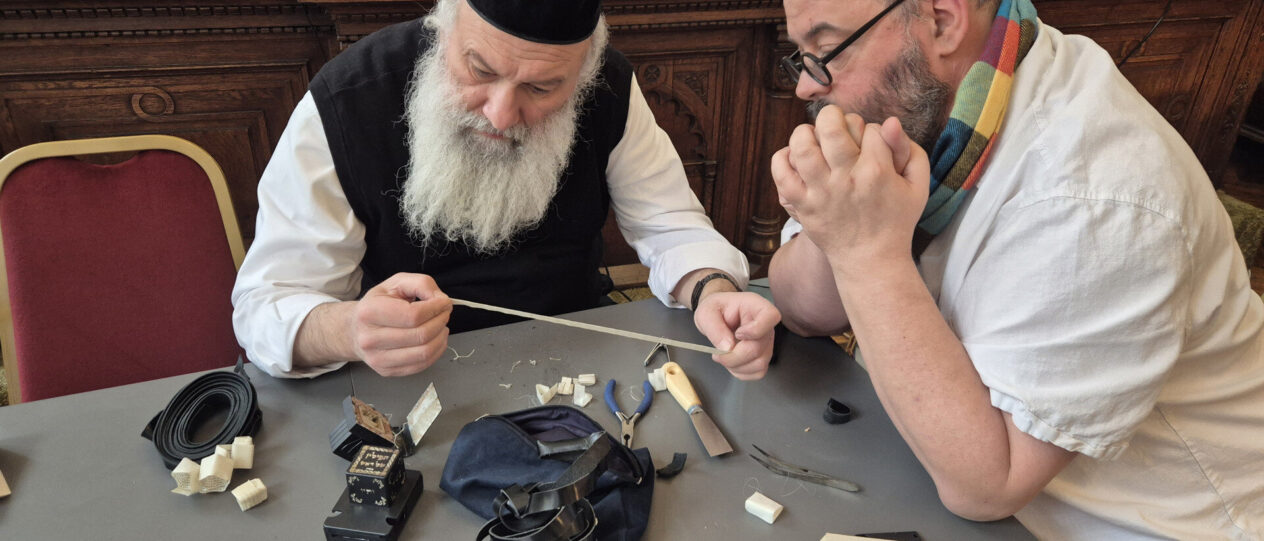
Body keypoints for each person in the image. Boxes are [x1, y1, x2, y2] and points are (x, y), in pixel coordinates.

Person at [768, 0, 1264, 538]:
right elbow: (804, 311)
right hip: (945, 470)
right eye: (801, 56)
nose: (806, 87)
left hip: (1135, 524)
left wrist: (864, 250)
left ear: (942, 20)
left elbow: (987, 487)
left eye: (827, 50)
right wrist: (838, 228)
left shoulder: (1099, 196)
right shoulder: (928, 108)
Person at [231, 0, 780, 381]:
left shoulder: (607, 86)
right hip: (403, 379)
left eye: (541, 88)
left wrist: (713, 291)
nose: (501, 114)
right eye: (479, 69)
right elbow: (266, 306)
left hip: (576, 363)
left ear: (583, 71)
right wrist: (351, 330)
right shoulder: (347, 99)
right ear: (444, 27)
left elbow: (672, 225)